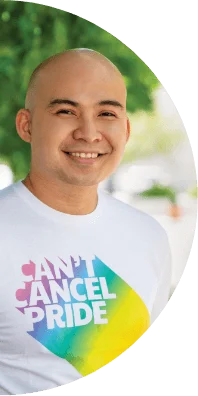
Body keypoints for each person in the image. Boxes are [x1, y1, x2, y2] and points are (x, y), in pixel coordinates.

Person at [0, 48, 172, 395]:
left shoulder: (148, 235)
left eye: (106, 112)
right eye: (66, 111)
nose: (89, 133)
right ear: (26, 125)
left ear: (125, 128)